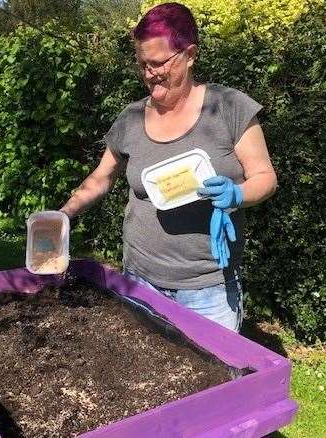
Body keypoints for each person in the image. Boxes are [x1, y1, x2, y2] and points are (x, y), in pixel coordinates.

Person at [59, 2, 277, 332]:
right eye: (143, 64)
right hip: (140, 281)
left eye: (158, 63)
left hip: (208, 289)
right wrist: (65, 213)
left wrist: (238, 194)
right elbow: (101, 177)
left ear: (190, 55)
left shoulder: (229, 108)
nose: (150, 74)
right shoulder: (131, 118)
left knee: (215, 381)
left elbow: (265, 177)